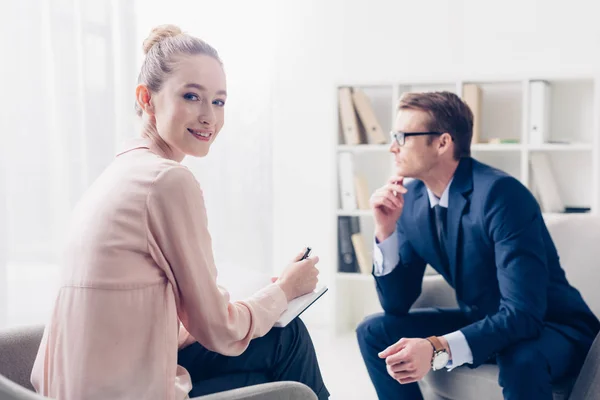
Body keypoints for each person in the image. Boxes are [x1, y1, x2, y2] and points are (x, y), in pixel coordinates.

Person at [31, 24, 329, 400]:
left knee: (279, 335)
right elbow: (218, 330)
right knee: (288, 340)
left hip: (80, 385)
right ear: (146, 98)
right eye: (192, 96)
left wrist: (264, 299)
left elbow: (152, 318)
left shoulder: (121, 171)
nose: (209, 117)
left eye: (219, 102)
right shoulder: (167, 181)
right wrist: (285, 291)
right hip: (127, 390)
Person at [356, 91, 600, 400]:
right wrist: (385, 231)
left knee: (520, 358)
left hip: (552, 326)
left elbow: (524, 313)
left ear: (443, 142)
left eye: (402, 136)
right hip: (483, 318)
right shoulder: (413, 199)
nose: (392, 147)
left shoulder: (500, 194)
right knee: (374, 331)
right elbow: (396, 304)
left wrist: (436, 348)